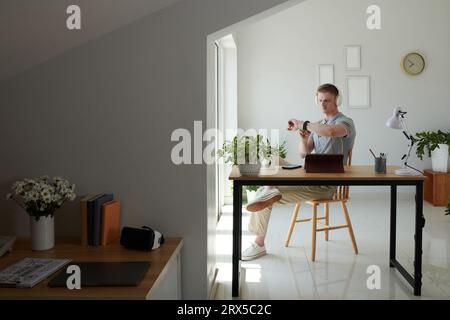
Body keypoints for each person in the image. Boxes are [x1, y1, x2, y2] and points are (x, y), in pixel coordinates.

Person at [242, 83, 356, 261]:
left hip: (325, 186)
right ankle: (270, 187)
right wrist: (303, 138)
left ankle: (259, 243)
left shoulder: (345, 123)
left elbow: (332, 132)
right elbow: (304, 153)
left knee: (262, 197)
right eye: (320, 100)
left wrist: (304, 124)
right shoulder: (318, 126)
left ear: (337, 101)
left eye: (327, 100)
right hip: (309, 174)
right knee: (273, 158)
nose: (323, 104)